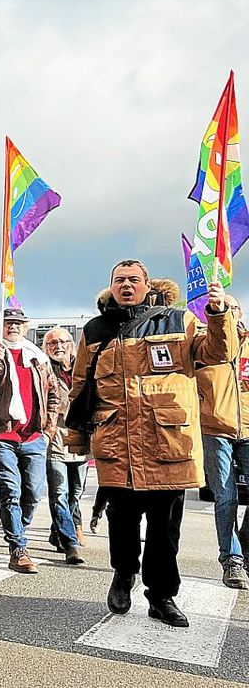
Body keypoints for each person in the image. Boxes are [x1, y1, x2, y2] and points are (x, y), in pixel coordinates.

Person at [66, 262, 234, 628]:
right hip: (117, 444)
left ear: (147, 285)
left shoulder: (178, 321)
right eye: (119, 280)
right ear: (110, 286)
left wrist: (219, 313)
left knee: (164, 530)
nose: (126, 286)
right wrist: (76, 437)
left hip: (168, 443)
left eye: (133, 280)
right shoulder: (95, 330)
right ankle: (124, 574)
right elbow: (81, 386)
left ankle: (161, 596)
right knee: (121, 522)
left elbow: (217, 354)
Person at [0, 307, 63, 572]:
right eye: (8, 323)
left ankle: (16, 528)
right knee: (10, 490)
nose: (13, 327)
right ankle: (18, 548)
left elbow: (54, 395)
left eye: (18, 323)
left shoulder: (37, 358)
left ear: (26, 327)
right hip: (0, 432)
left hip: (34, 434)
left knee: (33, 493)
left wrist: (49, 430)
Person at [195, 293, 249, 589]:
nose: (229, 312)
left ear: (239, 313)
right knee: (226, 496)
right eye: (223, 308)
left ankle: (246, 548)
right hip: (216, 429)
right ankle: (232, 561)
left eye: (233, 307)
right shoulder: (205, 347)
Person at [43, 327, 89, 559]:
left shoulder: (85, 368)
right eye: (52, 344)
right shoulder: (43, 370)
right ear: (46, 348)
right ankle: (70, 543)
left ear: (71, 344)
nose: (58, 346)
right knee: (59, 492)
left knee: (76, 493)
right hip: (55, 438)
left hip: (80, 439)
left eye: (62, 342)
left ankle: (59, 531)